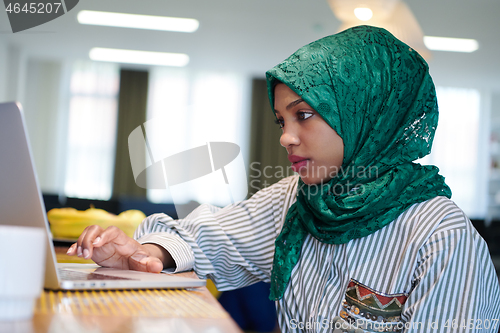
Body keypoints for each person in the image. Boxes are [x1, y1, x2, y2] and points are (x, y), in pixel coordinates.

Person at [68, 25, 500, 332]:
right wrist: (144, 254)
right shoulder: (302, 196)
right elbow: (210, 239)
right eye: (281, 121)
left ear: (365, 115)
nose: (287, 138)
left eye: (304, 115)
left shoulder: (443, 239)